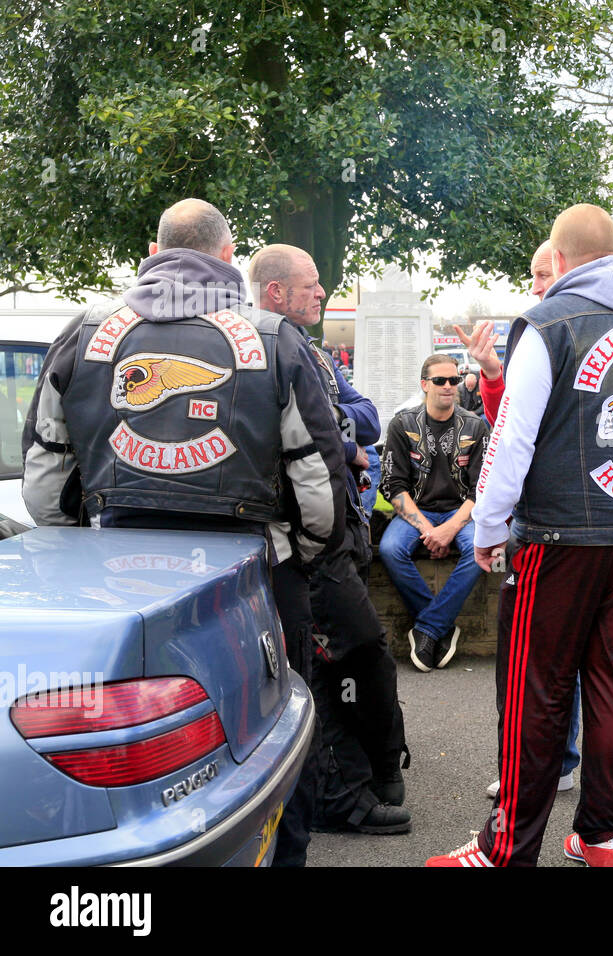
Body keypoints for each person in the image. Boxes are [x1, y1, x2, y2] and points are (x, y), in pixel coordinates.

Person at [22, 198, 347, 866]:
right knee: (277, 738)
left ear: (152, 255)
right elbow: (318, 477)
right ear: (228, 258)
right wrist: (300, 558)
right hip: (255, 576)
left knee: (137, 761)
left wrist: (80, 542)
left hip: (116, 580)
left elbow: (45, 475)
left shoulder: (83, 332)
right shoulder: (275, 338)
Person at [425, 203, 613, 867]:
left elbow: (512, 437)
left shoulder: (548, 324)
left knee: (535, 688)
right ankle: (599, 835)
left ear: (562, 258)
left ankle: (505, 848)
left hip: (557, 532)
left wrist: (488, 528)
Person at [249, 244, 410, 835]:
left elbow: (364, 411)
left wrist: (341, 429)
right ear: (275, 293)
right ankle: (336, 796)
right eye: (312, 284)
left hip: (338, 536)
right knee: (318, 668)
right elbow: (298, 436)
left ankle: (377, 768)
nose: (322, 293)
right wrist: (345, 443)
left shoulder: (313, 353)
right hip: (300, 542)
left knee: (362, 653)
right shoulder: (258, 352)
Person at [378, 353, 489, 671]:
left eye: (454, 380)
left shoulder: (476, 426)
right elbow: (393, 487)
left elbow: (479, 491)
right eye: (440, 381)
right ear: (425, 384)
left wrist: (449, 529)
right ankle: (440, 625)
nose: (448, 386)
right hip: (417, 511)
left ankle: (427, 629)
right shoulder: (403, 424)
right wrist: (429, 529)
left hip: (461, 513)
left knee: (482, 550)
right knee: (389, 549)